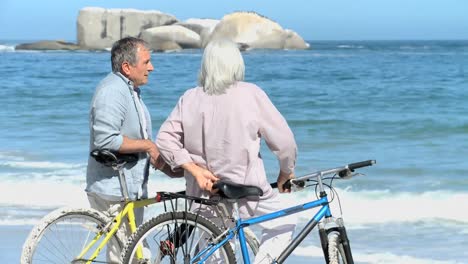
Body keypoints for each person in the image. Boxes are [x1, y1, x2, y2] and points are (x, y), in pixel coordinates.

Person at [156, 38, 297, 264]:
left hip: (205, 191)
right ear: (236, 64)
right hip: (247, 189)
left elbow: (164, 139)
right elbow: (285, 141)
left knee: (217, 253)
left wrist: (193, 169)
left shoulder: (190, 97)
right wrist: (285, 171)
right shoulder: (251, 94)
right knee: (283, 222)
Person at [86, 37, 160, 261]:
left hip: (127, 187)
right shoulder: (113, 91)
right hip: (113, 189)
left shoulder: (128, 90)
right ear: (127, 67)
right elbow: (106, 140)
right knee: (127, 257)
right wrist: (147, 146)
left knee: (137, 253)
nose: (151, 67)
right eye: (146, 62)